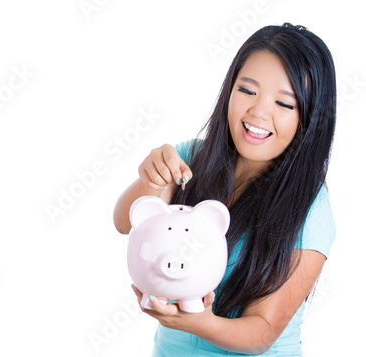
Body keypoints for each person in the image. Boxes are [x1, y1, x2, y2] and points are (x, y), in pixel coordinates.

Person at [113, 23, 336, 356]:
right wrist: (153, 177)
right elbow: (125, 222)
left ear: (310, 119)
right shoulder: (190, 159)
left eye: (285, 104)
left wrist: (195, 321)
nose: (258, 112)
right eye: (247, 90)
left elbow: (262, 332)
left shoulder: (310, 206)